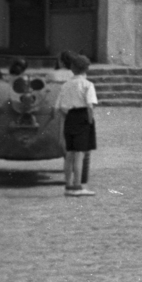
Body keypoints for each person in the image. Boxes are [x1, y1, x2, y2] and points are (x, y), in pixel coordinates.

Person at [54, 54, 98, 197]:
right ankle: (78, 185)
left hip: (69, 117)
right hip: (82, 117)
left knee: (70, 154)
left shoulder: (65, 85)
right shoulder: (87, 85)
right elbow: (90, 106)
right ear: (86, 69)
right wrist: (90, 121)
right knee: (80, 155)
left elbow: (58, 107)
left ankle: (68, 186)